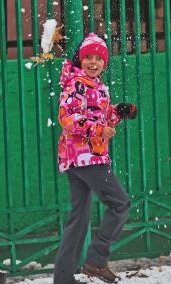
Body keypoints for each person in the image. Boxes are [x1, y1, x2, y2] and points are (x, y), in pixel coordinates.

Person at [53, 33, 137, 284]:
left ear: (104, 62)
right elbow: (67, 118)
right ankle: (97, 261)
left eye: (98, 58)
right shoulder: (77, 84)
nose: (93, 62)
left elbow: (96, 117)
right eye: (88, 57)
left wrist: (117, 113)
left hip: (78, 158)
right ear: (81, 60)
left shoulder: (96, 85)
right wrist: (99, 130)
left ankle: (63, 279)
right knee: (120, 204)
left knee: (79, 218)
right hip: (87, 157)